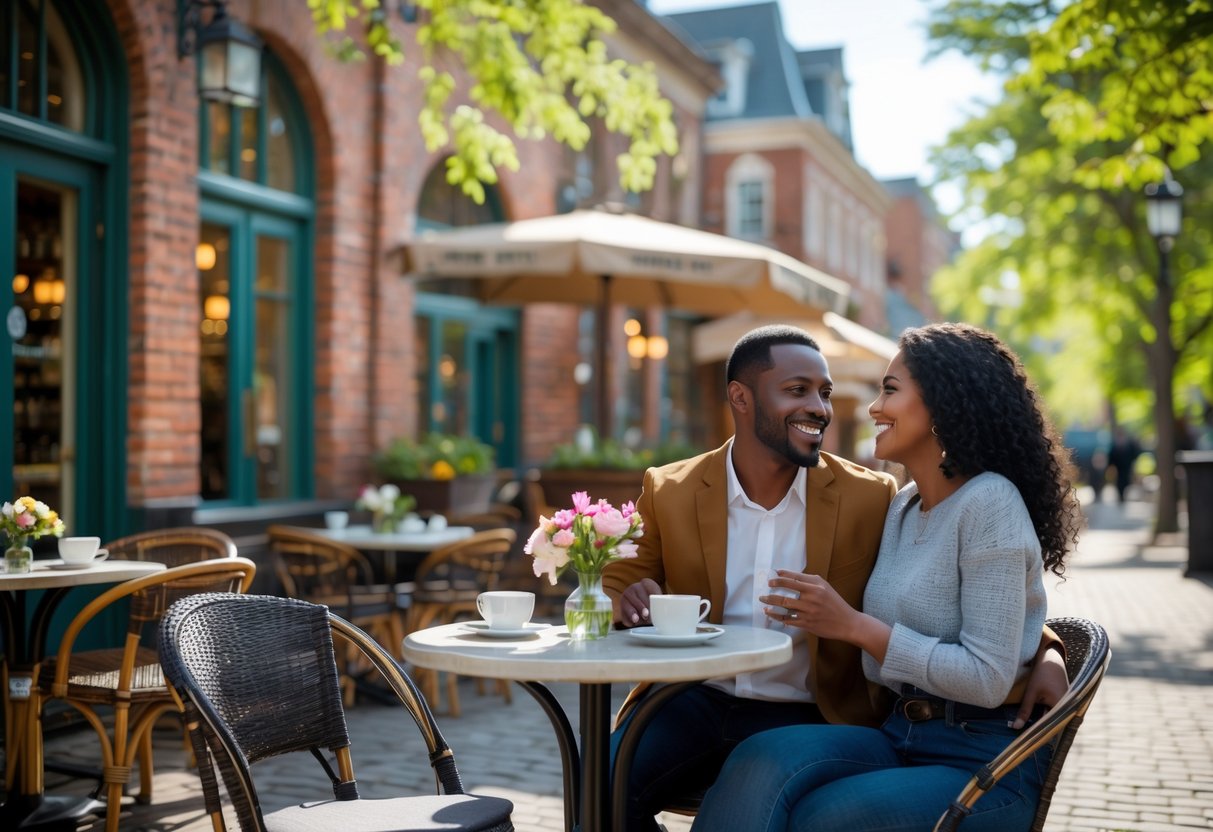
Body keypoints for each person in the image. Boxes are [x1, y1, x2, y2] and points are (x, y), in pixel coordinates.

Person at [602, 324, 1068, 832]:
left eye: (886, 390)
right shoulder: (905, 507)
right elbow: (982, 606)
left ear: (945, 405)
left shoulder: (878, 498)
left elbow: (991, 643)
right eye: (798, 391)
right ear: (740, 398)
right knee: (604, 782)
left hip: (873, 724)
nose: (836, 408)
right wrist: (626, 600)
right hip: (720, 703)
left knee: (812, 811)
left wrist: (1048, 646)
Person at [1106, 427, 1141, 503]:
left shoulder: (1129, 445)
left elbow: (1134, 454)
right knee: (1120, 483)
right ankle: (1121, 496)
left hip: (1127, 467)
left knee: (1126, 482)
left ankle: (1123, 495)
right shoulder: (1115, 446)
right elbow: (1111, 457)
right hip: (1119, 469)